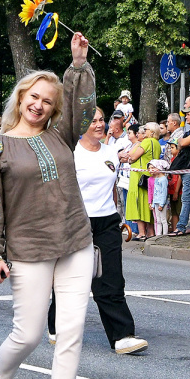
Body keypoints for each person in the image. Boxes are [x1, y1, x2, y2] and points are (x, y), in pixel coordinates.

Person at [0, 31, 96, 379]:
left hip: (75, 241)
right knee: (27, 335)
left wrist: (77, 66)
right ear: (21, 97)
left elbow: (83, 109)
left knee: (71, 330)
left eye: (47, 100)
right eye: (34, 96)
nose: (39, 104)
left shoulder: (61, 135)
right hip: (29, 249)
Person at [73, 107, 146, 354]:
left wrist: (117, 217)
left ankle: (122, 335)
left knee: (111, 279)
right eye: (92, 121)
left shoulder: (111, 152)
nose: (99, 124)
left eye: (101, 120)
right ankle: (56, 324)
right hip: (77, 222)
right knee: (70, 278)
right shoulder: (70, 154)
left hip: (106, 222)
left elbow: (112, 187)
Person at [167, 106, 190, 235]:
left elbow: (182, 143)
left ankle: (181, 226)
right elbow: (180, 144)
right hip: (187, 167)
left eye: (188, 114)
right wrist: (182, 141)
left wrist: (182, 141)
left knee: (187, 198)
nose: (186, 117)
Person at [122, 123, 160, 239]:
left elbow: (133, 157)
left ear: (152, 132)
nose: (143, 131)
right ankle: (150, 231)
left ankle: (142, 232)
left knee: (138, 203)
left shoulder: (146, 142)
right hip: (149, 176)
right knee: (148, 203)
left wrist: (129, 159)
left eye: (146, 129)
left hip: (139, 176)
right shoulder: (157, 143)